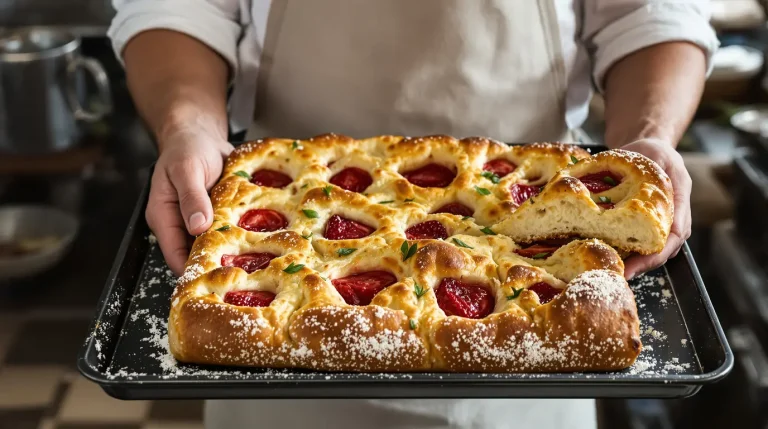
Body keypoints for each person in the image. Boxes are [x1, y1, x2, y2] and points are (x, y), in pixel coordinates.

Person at [109, 1, 718, 428]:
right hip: (285, 230)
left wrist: (647, 140)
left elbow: (650, 13)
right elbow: (178, 9)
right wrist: (188, 124)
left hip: (535, 253)